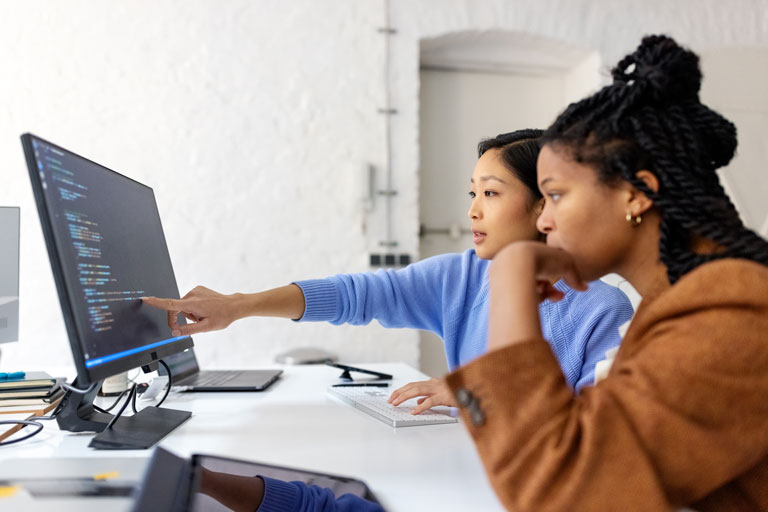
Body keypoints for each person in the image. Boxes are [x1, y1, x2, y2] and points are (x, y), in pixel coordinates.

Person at [444, 35, 768, 511]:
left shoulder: (733, 310)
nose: (543, 220)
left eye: (555, 195)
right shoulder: (680, 298)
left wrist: (511, 277)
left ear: (637, 194)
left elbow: (562, 490)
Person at [143, 130, 633, 414]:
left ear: (543, 205)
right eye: (472, 194)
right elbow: (358, 295)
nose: (473, 212)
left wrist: (472, 393)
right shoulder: (461, 279)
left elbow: (598, 430)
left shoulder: (601, 311)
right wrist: (239, 306)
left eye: (491, 193)